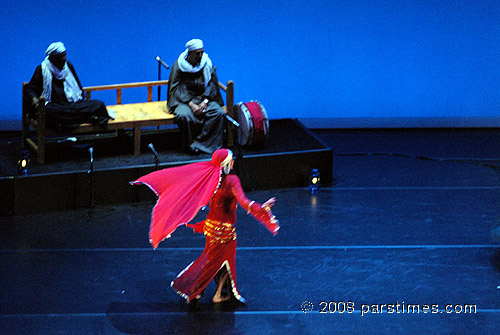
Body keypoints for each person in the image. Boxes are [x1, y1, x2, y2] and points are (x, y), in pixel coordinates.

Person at [132, 149, 280, 304]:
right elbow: (244, 202)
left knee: (218, 260)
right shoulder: (232, 180)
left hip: (210, 227)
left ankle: (206, 292)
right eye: (231, 160)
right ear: (225, 164)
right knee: (218, 261)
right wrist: (262, 208)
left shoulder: (212, 179)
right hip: (224, 231)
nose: (233, 162)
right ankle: (199, 290)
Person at [25, 42, 112, 132]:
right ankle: (86, 117)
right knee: (49, 112)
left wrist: (79, 102)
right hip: (55, 106)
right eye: (61, 57)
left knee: (99, 104)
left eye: (65, 55)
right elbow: (30, 89)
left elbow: (78, 88)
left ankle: (74, 118)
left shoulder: (68, 66)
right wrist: (34, 99)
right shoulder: (42, 69)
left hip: (73, 105)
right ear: (53, 58)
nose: (64, 59)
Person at [167, 39, 226, 155]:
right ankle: (189, 145)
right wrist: (191, 104)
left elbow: (212, 84)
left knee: (218, 113)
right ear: (190, 54)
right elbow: (175, 88)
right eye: (197, 53)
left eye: (201, 52)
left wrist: (205, 101)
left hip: (204, 98)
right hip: (184, 100)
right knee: (185, 116)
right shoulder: (179, 66)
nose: (200, 56)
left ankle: (200, 144)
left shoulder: (206, 63)